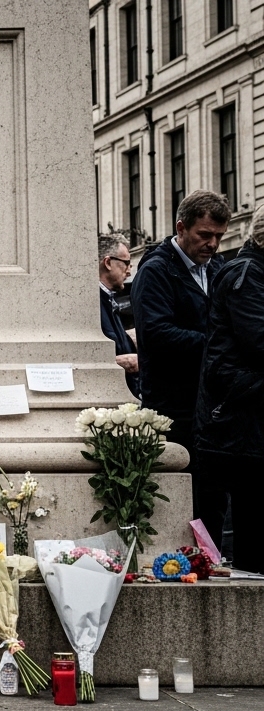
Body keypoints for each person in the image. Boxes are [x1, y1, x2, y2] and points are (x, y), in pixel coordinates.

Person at [131, 190, 230, 545]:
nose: (213, 244)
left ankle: (213, 559)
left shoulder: (217, 269)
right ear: (181, 227)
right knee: (185, 497)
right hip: (175, 407)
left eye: (219, 236)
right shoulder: (156, 270)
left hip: (211, 405)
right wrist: (216, 345)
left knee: (213, 497)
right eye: (205, 235)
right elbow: (156, 334)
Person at [197, 207, 264, 572]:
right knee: (250, 524)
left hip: (245, 416)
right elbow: (258, 340)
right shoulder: (246, 274)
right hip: (239, 420)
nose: (214, 243)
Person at [97, 234, 140, 398]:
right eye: (126, 263)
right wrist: (125, 362)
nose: (129, 271)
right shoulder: (93, 303)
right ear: (107, 262)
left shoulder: (107, 299)